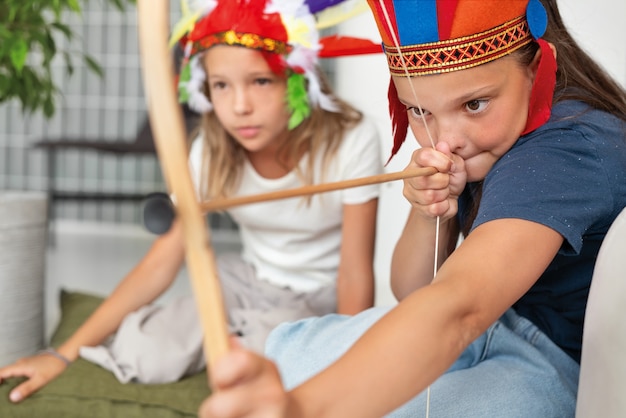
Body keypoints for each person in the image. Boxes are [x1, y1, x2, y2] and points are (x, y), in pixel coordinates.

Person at [196, 0, 626, 417]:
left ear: (534, 68)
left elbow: (460, 307)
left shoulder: (568, 151)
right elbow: (414, 290)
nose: (445, 140)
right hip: (490, 328)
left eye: (474, 104)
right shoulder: (486, 139)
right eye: (420, 111)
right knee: (289, 349)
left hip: (557, 362)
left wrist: (303, 408)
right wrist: (429, 212)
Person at [0, 0, 383, 402]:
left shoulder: (351, 140)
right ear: (205, 89)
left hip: (316, 299)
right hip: (244, 281)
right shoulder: (211, 151)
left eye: (261, 81)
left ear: (297, 76)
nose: (239, 107)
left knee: (277, 372)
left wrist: (345, 359)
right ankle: (237, 334)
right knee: (142, 352)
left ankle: (248, 339)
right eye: (221, 85)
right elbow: (163, 259)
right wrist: (61, 354)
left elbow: (354, 273)